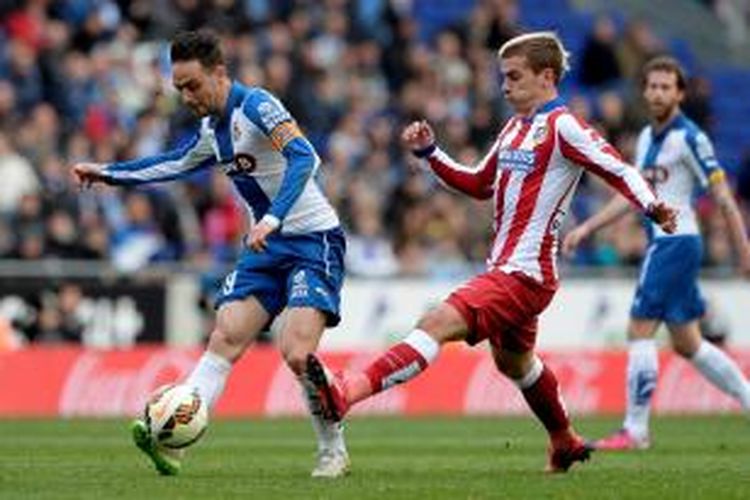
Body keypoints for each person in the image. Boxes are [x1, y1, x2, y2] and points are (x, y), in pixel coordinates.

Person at [305, 32, 678, 473]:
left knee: (437, 322)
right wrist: (431, 153)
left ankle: (348, 390)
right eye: (503, 77)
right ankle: (563, 439)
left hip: (525, 274)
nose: (504, 86)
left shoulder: (564, 126)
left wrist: (652, 206)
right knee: (516, 364)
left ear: (546, 76)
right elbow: (479, 183)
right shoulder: (515, 127)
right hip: (509, 269)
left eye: (514, 76)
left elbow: (620, 169)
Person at [71, 30, 349, 478]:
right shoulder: (210, 132)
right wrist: (108, 173)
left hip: (312, 240)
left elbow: (305, 158)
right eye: (178, 88)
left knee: (297, 353)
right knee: (225, 336)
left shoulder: (257, 106)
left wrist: (274, 217)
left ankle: (332, 449)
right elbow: (171, 164)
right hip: (265, 245)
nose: (185, 96)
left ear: (220, 73)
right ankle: (173, 440)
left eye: (192, 85)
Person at [563, 56, 750, 451]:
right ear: (644, 91)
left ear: (680, 93)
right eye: (652, 86)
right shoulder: (648, 137)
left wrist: (744, 251)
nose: (658, 93)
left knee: (639, 329)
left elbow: (723, 197)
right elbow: (634, 196)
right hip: (667, 244)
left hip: (675, 242)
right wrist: (588, 226)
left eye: (667, 86)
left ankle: (635, 429)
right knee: (687, 343)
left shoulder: (691, 138)